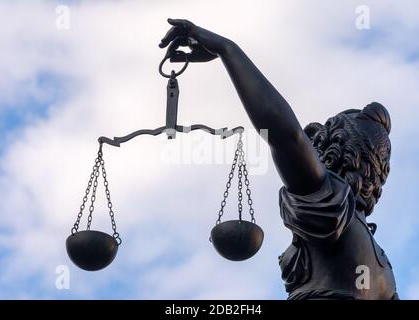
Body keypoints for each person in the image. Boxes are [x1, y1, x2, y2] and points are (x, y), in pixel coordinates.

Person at [159, 18, 398, 300]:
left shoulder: (333, 206)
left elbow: (286, 136)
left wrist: (227, 50)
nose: (310, 152)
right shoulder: (383, 269)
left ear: (334, 152)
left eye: (316, 146)